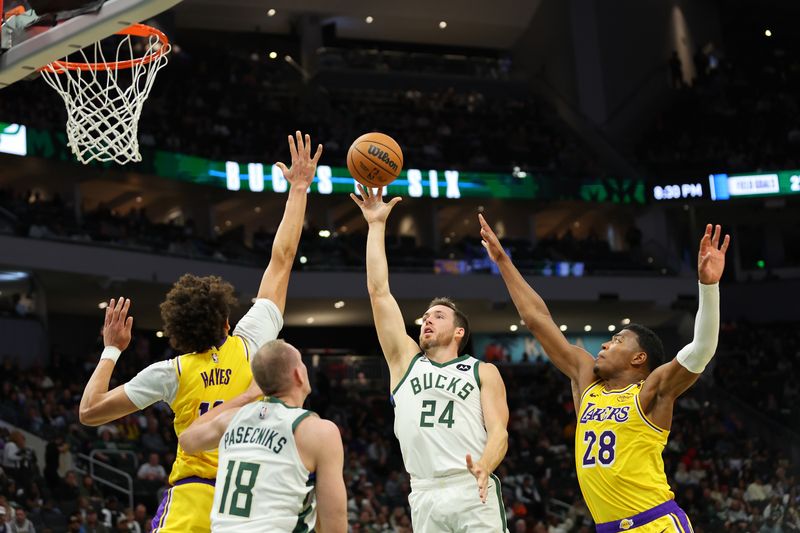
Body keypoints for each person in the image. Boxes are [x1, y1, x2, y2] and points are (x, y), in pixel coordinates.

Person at [77, 131, 323, 533]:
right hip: (246, 503)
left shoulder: (171, 372)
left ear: (180, 332)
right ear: (226, 322)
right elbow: (282, 260)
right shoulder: (249, 343)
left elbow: (89, 412)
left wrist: (111, 350)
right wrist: (299, 188)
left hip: (190, 503)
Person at [479, 216, 730, 533]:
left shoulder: (650, 392)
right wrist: (503, 261)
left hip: (655, 523)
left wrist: (708, 286)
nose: (607, 344)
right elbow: (537, 319)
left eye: (618, 340)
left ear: (639, 358)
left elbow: (702, 348)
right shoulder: (586, 380)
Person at [350, 185, 510, 532]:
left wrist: (486, 464)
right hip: (423, 491)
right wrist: (376, 226)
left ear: (458, 333)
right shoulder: (405, 362)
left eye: (438, 315)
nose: (428, 320)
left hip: (471, 486)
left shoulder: (482, 371)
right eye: (426, 316)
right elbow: (379, 292)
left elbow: (499, 431)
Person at [179, 339, 347, 532]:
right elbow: (334, 521)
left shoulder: (232, 419)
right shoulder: (319, 431)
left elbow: (187, 439)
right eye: (301, 362)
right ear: (298, 374)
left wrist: (246, 396)